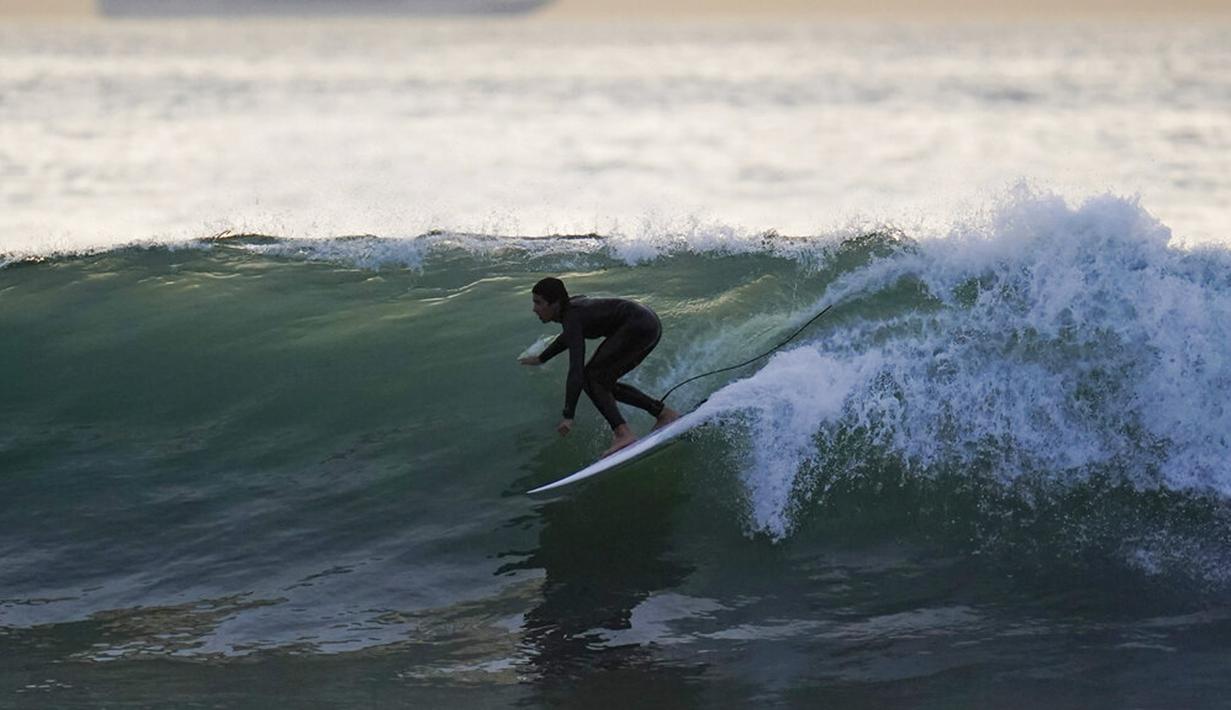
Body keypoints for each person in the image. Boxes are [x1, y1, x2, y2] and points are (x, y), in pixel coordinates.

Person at [520, 277, 680, 457]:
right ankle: (664, 414)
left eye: (538, 303)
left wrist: (568, 415)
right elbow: (569, 337)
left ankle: (623, 433)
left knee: (591, 377)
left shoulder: (571, 317)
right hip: (647, 323)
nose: (534, 309)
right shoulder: (570, 311)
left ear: (555, 303)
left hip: (638, 325)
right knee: (603, 383)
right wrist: (542, 358)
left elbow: (576, 369)